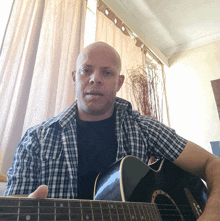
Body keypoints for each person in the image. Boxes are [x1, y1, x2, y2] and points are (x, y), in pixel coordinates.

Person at [3, 41, 220, 220]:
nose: (95, 78)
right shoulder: (36, 139)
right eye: (85, 70)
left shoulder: (143, 127)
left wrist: (212, 212)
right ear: (74, 77)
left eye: (106, 73)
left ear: (119, 82)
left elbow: (212, 163)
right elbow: (14, 203)